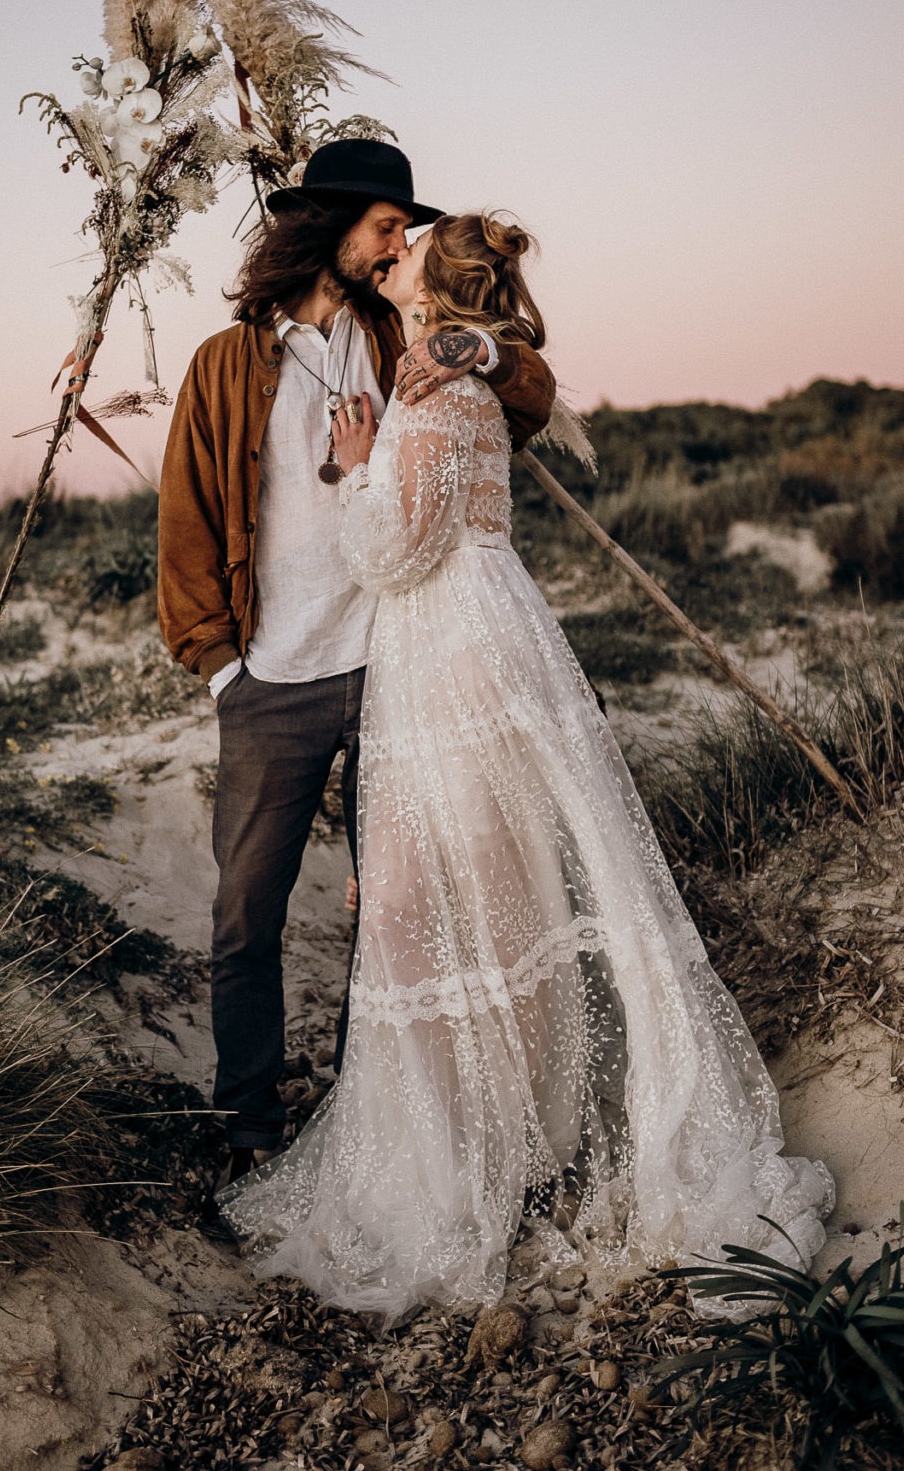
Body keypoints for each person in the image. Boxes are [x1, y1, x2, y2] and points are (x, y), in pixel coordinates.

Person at [218, 211, 834, 1319]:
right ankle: (493, 1143)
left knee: (453, 905)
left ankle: (486, 1161)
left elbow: (393, 552)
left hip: (451, 654)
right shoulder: (405, 356)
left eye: (407, 244)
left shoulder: (448, 382)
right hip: (458, 647)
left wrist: (357, 471)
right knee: (471, 903)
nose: (392, 247)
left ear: (432, 282)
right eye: (383, 235)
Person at [157, 141, 557, 1196]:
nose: (400, 243)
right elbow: (186, 526)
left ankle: (365, 1116)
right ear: (327, 226)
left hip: (395, 669)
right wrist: (219, 671)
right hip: (272, 683)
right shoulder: (225, 363)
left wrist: (480, 356)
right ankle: (249, 1120)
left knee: (395, 908)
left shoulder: (405, 335)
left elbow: (537, 393)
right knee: (248, 910)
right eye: (385, 224)